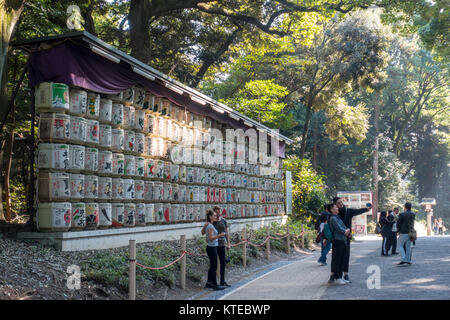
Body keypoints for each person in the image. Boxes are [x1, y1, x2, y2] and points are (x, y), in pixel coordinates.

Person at [333, 197, 371, 282]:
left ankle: (345, 274)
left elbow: (358, 211)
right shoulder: (334, 214)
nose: (341, 204)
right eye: (339, 203)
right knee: (336, 257)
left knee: (346, 256)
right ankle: (334, 275)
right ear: (335, 205)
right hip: (337, 238)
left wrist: (367, 209)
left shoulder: (348, 211)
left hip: (347, 237)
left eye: (341, 202)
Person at [202, 206, 231, 287]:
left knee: (223, 263)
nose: (218, 214)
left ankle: (222, 281)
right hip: (214, 245)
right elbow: (204, 233)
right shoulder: (211, 222)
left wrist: (228, 243)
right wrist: (205, 227)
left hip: (221, 244)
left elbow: (226, 232)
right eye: (216, 213)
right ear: (213, 213)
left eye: (219, 212)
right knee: (213, 265)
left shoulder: (223, 221)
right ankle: (211, 282)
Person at [328, 203, 352, 285]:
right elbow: (339, 228)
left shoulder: (337, 218)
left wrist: (348, 231)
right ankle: (337, 277)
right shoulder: (332, 218)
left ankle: (340, 277)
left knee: (342, 259)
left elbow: (344, 226)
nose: (337, 208)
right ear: (331, 209)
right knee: (337, 260)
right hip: (337, 240)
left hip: (343, 240)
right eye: (335, 207)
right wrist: (345, 231)